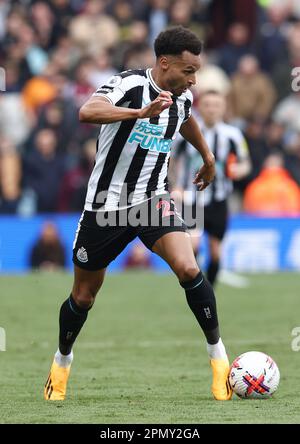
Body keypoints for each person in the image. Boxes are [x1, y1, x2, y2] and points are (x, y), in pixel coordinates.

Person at [44, 26, 232, 402]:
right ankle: (61, 363)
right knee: (83, 296)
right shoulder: (128, 85)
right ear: (165, 63)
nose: (193, 79)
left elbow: (185, 118)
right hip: (106, 207)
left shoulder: (181, 96)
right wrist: (139, 112)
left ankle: (219, 361)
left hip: (151, 200)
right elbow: (87, 110)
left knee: (190, 269)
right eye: (188, 71)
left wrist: (208, 156)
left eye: (197, 72)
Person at [172, 90, 250, 286]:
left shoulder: (232, 135)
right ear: (200, 107)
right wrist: (175, 186)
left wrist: (239, 170)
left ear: (223, 108)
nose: (212, 109)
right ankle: (196, 285)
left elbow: (245, 163)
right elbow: (171, 162)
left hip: (219, 199)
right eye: (207, 105)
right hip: (191, 199)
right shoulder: (185, 133)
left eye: (216, 105)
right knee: (193, 245)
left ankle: (209, 290)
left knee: (216, 252)